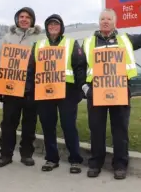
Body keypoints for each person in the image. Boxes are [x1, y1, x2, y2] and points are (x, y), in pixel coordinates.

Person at [81, 6, 141, 179]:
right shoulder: (88, 42)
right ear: (99, 22)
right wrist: (85, 87)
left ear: (115, 22)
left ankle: (120, 165)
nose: (105, 22)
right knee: (96, 129)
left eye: (109, 19)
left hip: (120, 90)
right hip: (96, 92)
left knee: (120, 129)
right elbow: (80, 66)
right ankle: (95, 163)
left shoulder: (125, 39)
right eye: (102, 19)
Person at [30, 14, 86, 173]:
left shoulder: (71, 43)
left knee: (69, 126)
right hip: (45, 90)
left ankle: (75, 159)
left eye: (56, 25)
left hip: (66, 91)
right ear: (47, 28)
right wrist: (32, 91)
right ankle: (51, 159)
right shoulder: (39, 45)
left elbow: (79, 67)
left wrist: (79, 90)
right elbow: (32, 69)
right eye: (50, 25)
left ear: (61, 27)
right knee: (48, 126)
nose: (53, 27)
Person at [0, 7, 43, 168]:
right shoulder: (7, 38)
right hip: (11, 88)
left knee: (29, 124)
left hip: (32, 89)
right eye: (21, 16)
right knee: (8, 123)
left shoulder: (39, 38)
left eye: (27, 17)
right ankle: (5, 154)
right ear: (17, 19)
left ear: (32, 20)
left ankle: (27, 154)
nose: (24, 19)